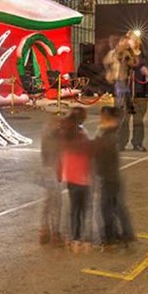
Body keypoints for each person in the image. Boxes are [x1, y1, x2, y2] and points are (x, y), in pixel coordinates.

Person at [93, 106, 136, 248]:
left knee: (106, 208)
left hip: (108, 177)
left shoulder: (108, 135)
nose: (101, 120)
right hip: (112, 176)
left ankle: (109, 236)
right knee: (117, 206)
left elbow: (99, 153)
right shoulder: (110, 133)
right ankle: (126, 233)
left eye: (104, 117)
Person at [60, 107, 92, 252]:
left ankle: (73, 238)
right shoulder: (82, 135)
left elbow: (61, 157)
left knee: (74, 209)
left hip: (71, 177)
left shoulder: (66, 135)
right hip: (83, 177)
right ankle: (80, 238)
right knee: (83, 209)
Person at [38, 114, 64, 246]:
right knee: (56, 203)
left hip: (47, 169)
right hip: (52, 170)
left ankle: (44, 230)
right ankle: (55, 233)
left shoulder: (46, 131)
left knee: (47, 201)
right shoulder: (53, 134)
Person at [127, 54, 148, 151]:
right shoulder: (123, 60)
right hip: (125, 94)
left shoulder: (143, 63)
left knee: (138, 121)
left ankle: (137, 143)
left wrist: (147, 73)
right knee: (123, 121)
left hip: (139, 95)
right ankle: (121, 142)